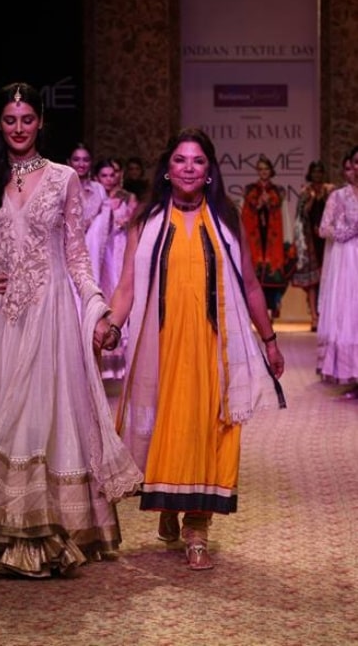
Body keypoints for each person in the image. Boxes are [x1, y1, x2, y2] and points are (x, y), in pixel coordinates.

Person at [0, 82, 143, 578]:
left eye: (26, 119)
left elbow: (76, 255)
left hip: (48, 318)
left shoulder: (64, 178)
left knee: (37, 419)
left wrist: (97, 306)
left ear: (40, 121)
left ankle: (41, 538)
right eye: (9, 120)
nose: (19, 128)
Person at [102, 127, 286, 570]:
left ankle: (197, 528)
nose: (188, 167)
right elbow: (126, 286)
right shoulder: (144, 223)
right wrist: (109, 323)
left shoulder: (225, 220)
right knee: (168, 425)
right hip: (160, 347)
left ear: (209, 172)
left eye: (197, 161)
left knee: (211, 429)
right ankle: (168, 503)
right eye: (180, 160)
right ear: (167, 169)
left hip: (214, 346)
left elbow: (251, 285)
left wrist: (269, 339)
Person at [316, 145, 358, 400]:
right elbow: (323, 229)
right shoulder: (339, 196)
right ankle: (353, 375)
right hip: (348, 262)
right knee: (350, 317)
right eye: (356, 162)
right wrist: (347, 231)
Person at [89, 158, 137, 380]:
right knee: (102, 297)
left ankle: (122, 364)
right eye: (104, 175)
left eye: (112, 174)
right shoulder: (93, 199)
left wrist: (122, 218)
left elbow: (134, 225)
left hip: (118, 251)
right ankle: (101, 361)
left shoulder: (127, 198)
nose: (108, 179)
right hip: (98, 253)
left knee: (121, 295)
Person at [241, 154, 295, 320]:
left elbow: (284, 214)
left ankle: (271, 309)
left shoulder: (278, 191)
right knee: (255, 274)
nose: (263, 172)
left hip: (273, 235)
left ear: (271, 171)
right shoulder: (250, 190)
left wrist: (288, 238)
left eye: (266, 169)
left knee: (273, 273)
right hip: (255, 235)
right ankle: (256, 311)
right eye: (261, 169)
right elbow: (244, 214)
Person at [291, 160, 335, 331]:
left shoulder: (330, 191)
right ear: (311, 174)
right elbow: (300, 215)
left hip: (326, 240)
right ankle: (314, 318)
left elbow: (335, 212)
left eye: (320, 172)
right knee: (312, 282)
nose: (317, 175)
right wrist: (310, 200)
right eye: (314, 172)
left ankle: (325, 315)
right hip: (310, 240)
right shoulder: (305, 192)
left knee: (328, 279)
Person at [66, 142, 107, 231]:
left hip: (95, 242)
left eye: (86, 160)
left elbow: (105, 220)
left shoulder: (98, 189)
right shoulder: (62, 188)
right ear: (69, 162)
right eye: (76, 159)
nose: (81, 164)